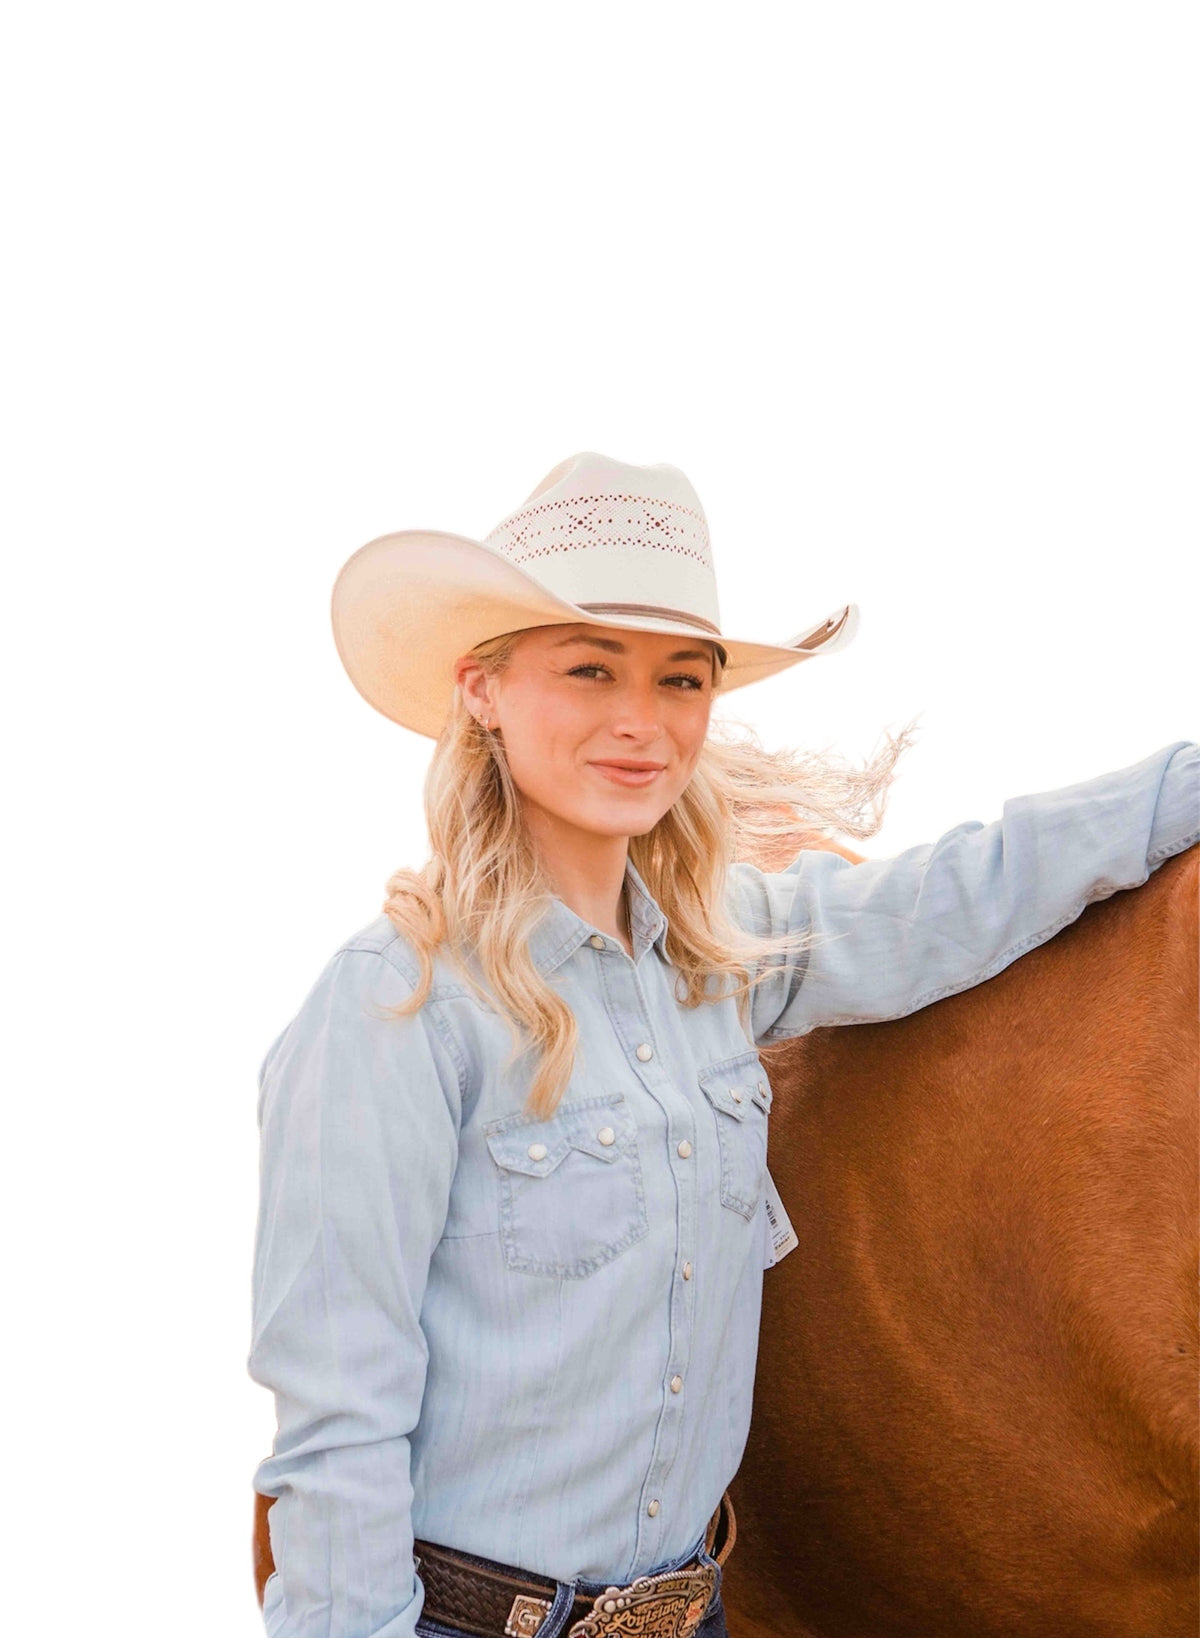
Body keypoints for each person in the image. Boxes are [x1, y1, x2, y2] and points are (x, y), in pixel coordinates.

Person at [246, 451, 1199, 1638]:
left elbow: (976, 886)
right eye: (591, 671)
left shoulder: (718, 963)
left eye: (682, 680)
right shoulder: (394, 1010)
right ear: (481, 690)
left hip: (696, 1615)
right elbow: (337, 1423)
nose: (642, 724)